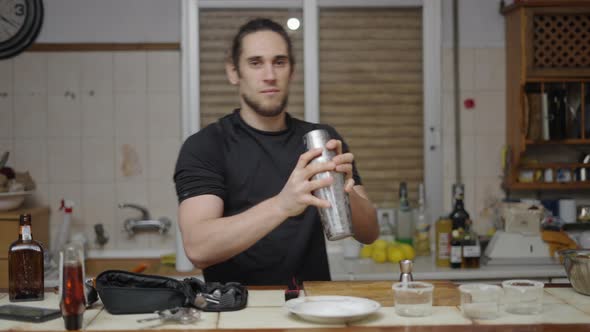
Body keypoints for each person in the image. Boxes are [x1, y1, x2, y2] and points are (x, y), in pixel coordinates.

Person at [174, 18, 378, 285]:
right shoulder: (205, 146)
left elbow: (370, 233)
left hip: (311, 309)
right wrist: (282, 205)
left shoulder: (320, 141)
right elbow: (198, 249)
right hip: (236, 311)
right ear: (234, 72)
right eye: (255, 63)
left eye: (279, 62)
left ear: (291, 71)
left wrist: (343, 191)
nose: (269, 75)